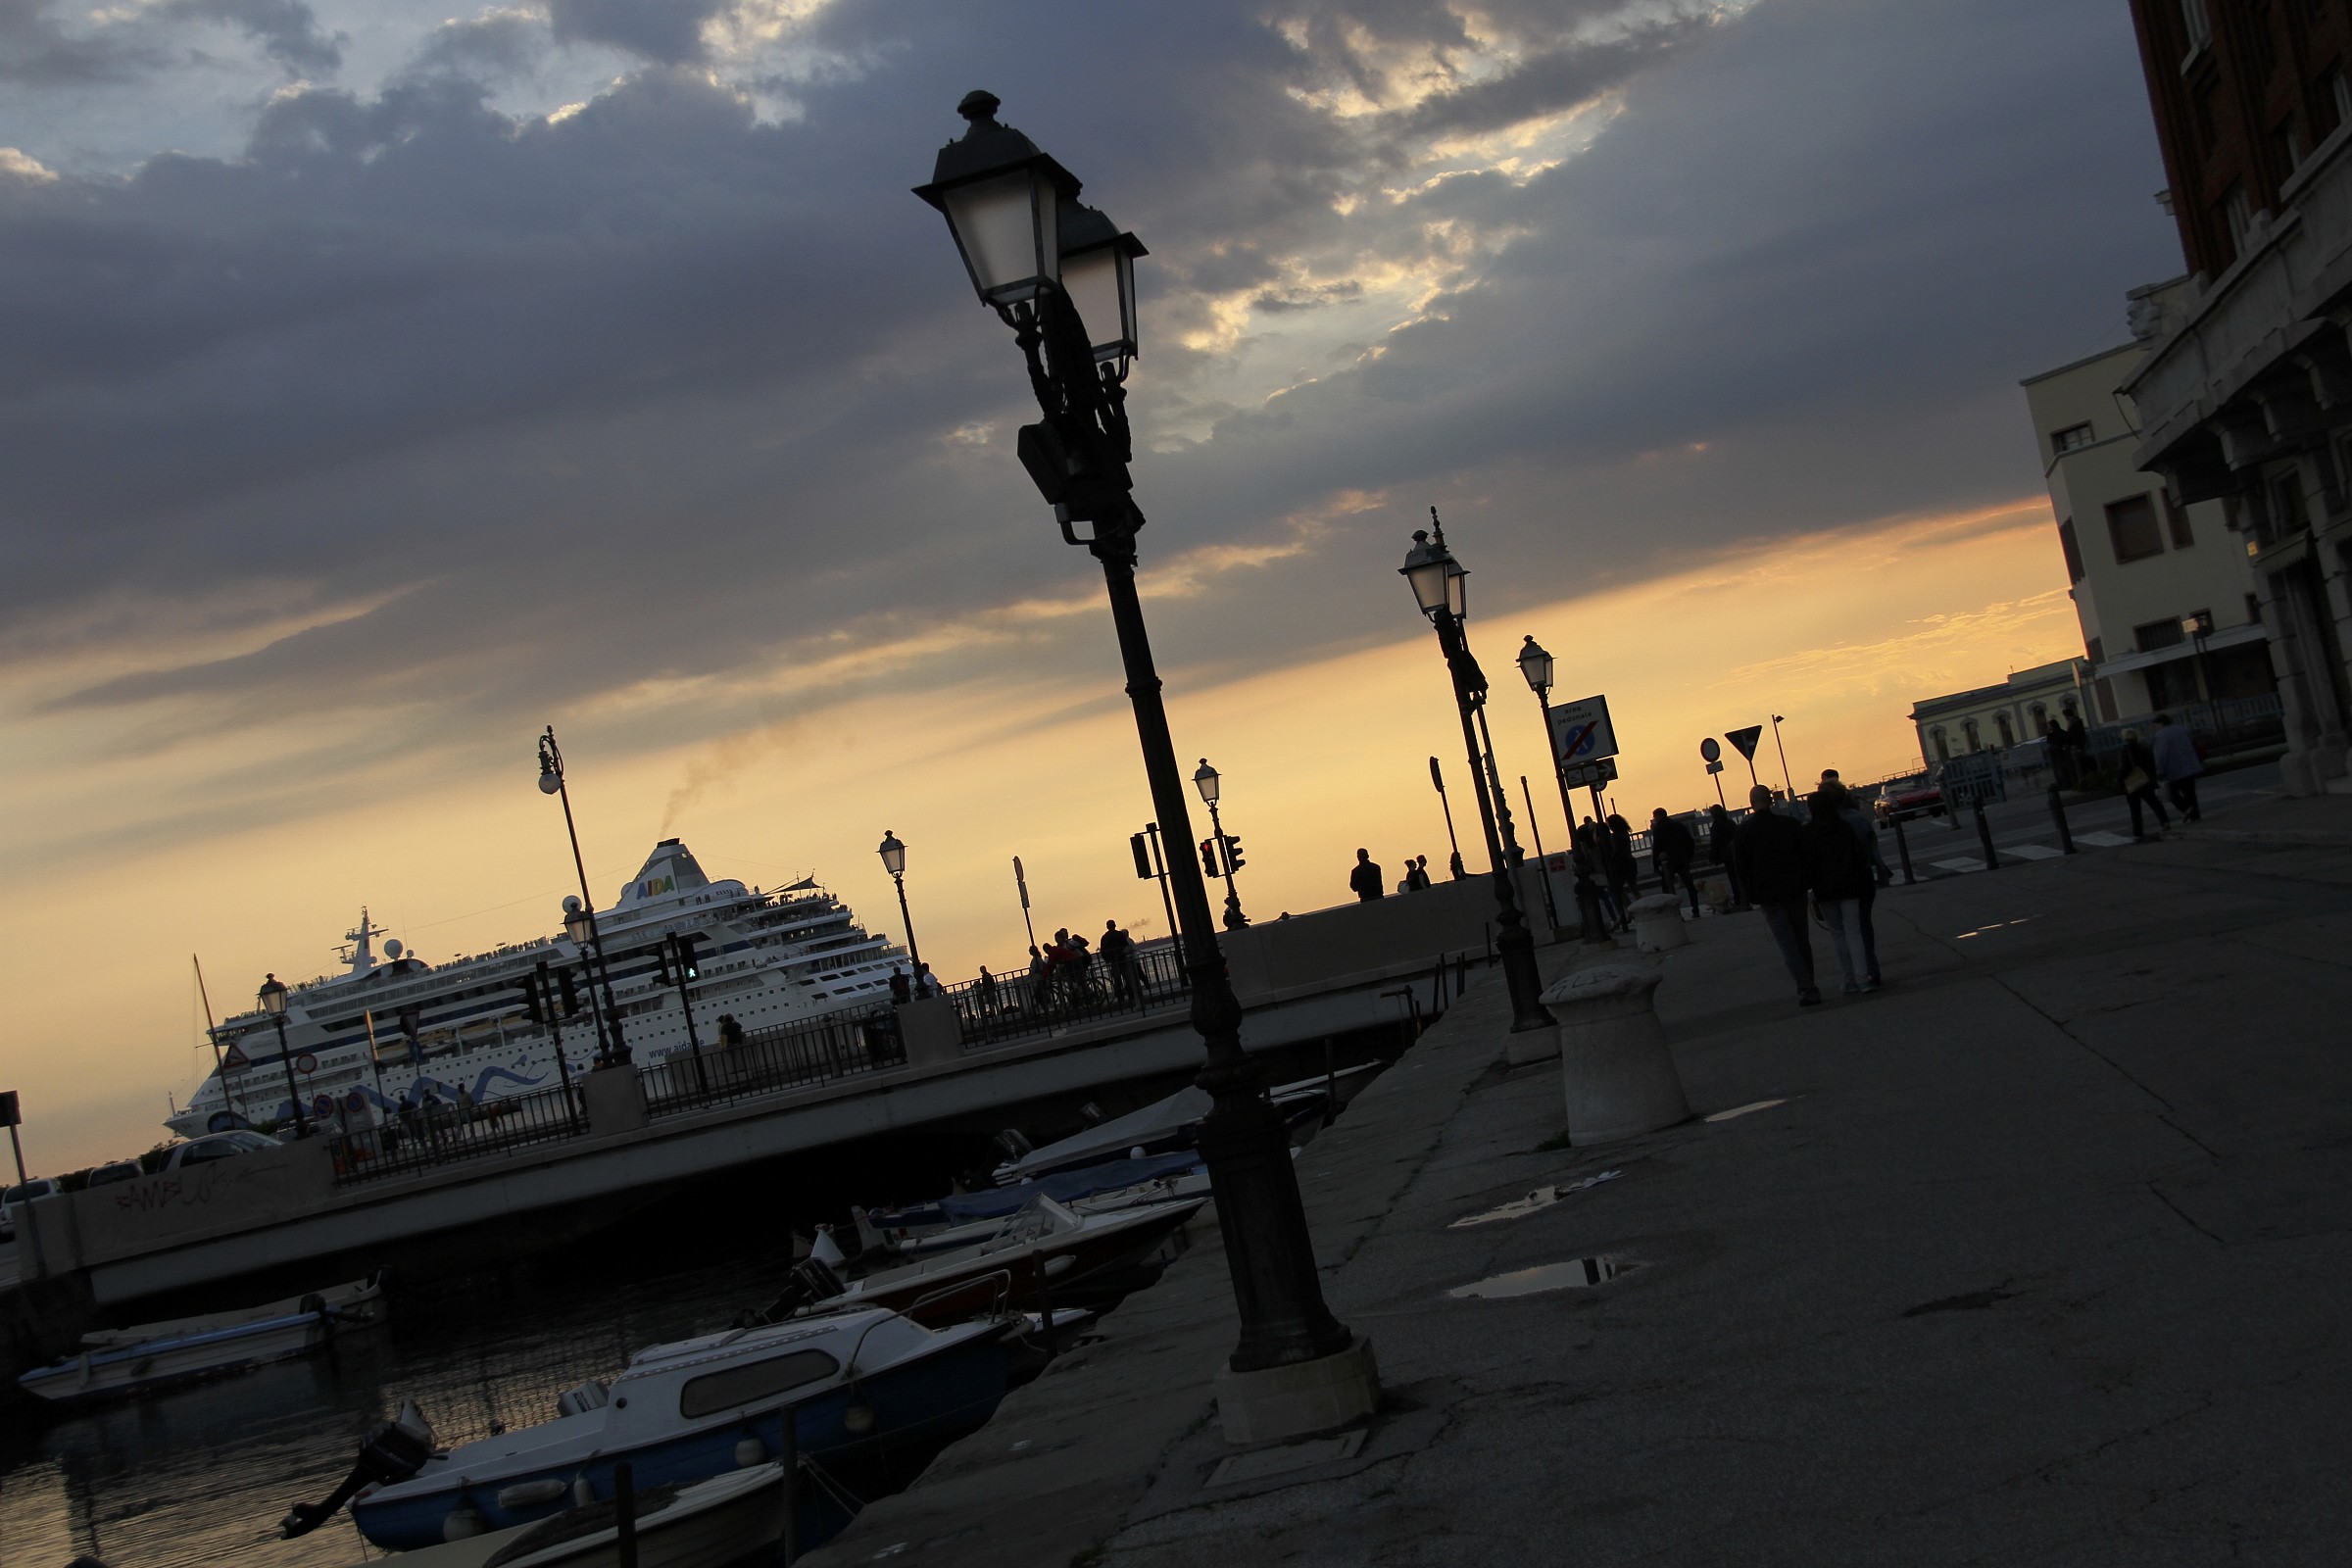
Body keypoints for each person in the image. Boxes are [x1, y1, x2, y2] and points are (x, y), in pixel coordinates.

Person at [1734, 784, 1820, 1005]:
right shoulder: (1790, 825)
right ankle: (1809, 983)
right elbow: (1806, 856)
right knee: (1802, 940)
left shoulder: (1745, 831)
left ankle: (1806, 987)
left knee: (1787, 943)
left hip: (1768, 894)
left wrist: (1750, 894)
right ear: (1771, 801)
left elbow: (1742, 867)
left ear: (1752, 803)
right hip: (1795, 889)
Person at [1803, 790, 1872, 995]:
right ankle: (1863, 978)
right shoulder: (1844, 828)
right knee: (1854, 932)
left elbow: (1807, 864)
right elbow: (1858, 856)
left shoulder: (1808, 833)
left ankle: (1849, 978)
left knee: (1838, 934)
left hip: (1825, 890)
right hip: (1850, 885)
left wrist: (1811, 888)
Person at [1826, 781, 1886, 989]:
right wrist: (1882, 871)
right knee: (1864, 926)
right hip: (1864, 877)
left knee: (1846, 931)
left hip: (1841, 881)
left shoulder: (1830, 826)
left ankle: (1856, 974)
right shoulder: (1859, 820)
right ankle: (1872, 969)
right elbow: (1873, 851)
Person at [2117, 726, 2173, 839]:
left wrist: (2119, 781)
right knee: (2154, 802)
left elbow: (2124, 768)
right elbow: (2152, 764)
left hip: (2133, 782)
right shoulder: (2145, 748)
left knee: (2135, 809)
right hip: (2146, 780)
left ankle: (2137, 831)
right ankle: (2164, 821)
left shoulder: (2124, 751)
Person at [2151, 712, 2205, 822]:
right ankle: (2195, 815)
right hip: (2189, 766)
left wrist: (2159, 770)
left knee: (2172, 794)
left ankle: (2187, 809)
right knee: (2190, 793)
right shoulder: (2181, 729)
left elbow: (2161, 754)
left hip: (2174, 770)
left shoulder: (2161, 735)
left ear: (2161, 723)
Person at [1650, 808, 1698, 917]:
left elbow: (1656, 848)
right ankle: (1695, 910)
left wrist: (1656, 865)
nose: (1654, 819)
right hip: (1682, 858)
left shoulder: (1658, 829)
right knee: (1690, 885)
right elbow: (1689, 841)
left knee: (1668, 887)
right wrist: (1689, 856)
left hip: (1668, 862)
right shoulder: (1678, 825)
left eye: (1655, 816)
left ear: (1659, 816)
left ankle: (1675, 913)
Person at [1706, 803, 1745, 909]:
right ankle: (1744, 898)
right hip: (1736, 853)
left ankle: (1738, 900)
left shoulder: (1716, 826)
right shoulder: (1730, 823)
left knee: (1733, 878)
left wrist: (1712, 858)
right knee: (1739, 877)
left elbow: (1715, 843)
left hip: (1727, 855)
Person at [1603, 813, 1638, 927]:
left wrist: (1611, 857)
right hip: (1630, 862)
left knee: (1618, 889)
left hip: (1621, 865)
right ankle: (1641, 908)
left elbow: (1616, 851)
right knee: (1634, 888)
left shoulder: (1615, 836)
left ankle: (1629, 911)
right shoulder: (1625, 833)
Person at [1101, 919, 1139, 1004]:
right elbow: (1125, 946)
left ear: (1107, 927)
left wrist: (1108, 960)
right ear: (1115, 925)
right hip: (1123, 959)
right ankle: (1131, 995)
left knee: (1117, 980)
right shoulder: (1120, 934)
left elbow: (1103, 951)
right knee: (1127, 978)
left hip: (1113, 961)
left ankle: (1120, 997)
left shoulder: (1104, 937)